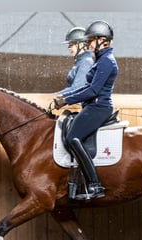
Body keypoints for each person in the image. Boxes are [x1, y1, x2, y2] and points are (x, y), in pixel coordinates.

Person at [53, 20, 118, 200]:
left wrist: (66, 99)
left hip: (99, 107)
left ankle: (95, 184)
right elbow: (85, 87)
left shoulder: (107, 61)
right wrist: (64, 98)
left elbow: (93, 91)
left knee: (72, 138)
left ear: (102, 41)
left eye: (91, 40)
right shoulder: (100, 60)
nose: (89, 44)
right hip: (92, 106)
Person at [56, 27, 95, 95]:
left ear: (81, 45)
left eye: (71, 45)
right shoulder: (80, 61)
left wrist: (52, 96)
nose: (69, 48)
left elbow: (77, 89)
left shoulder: (86, 62)